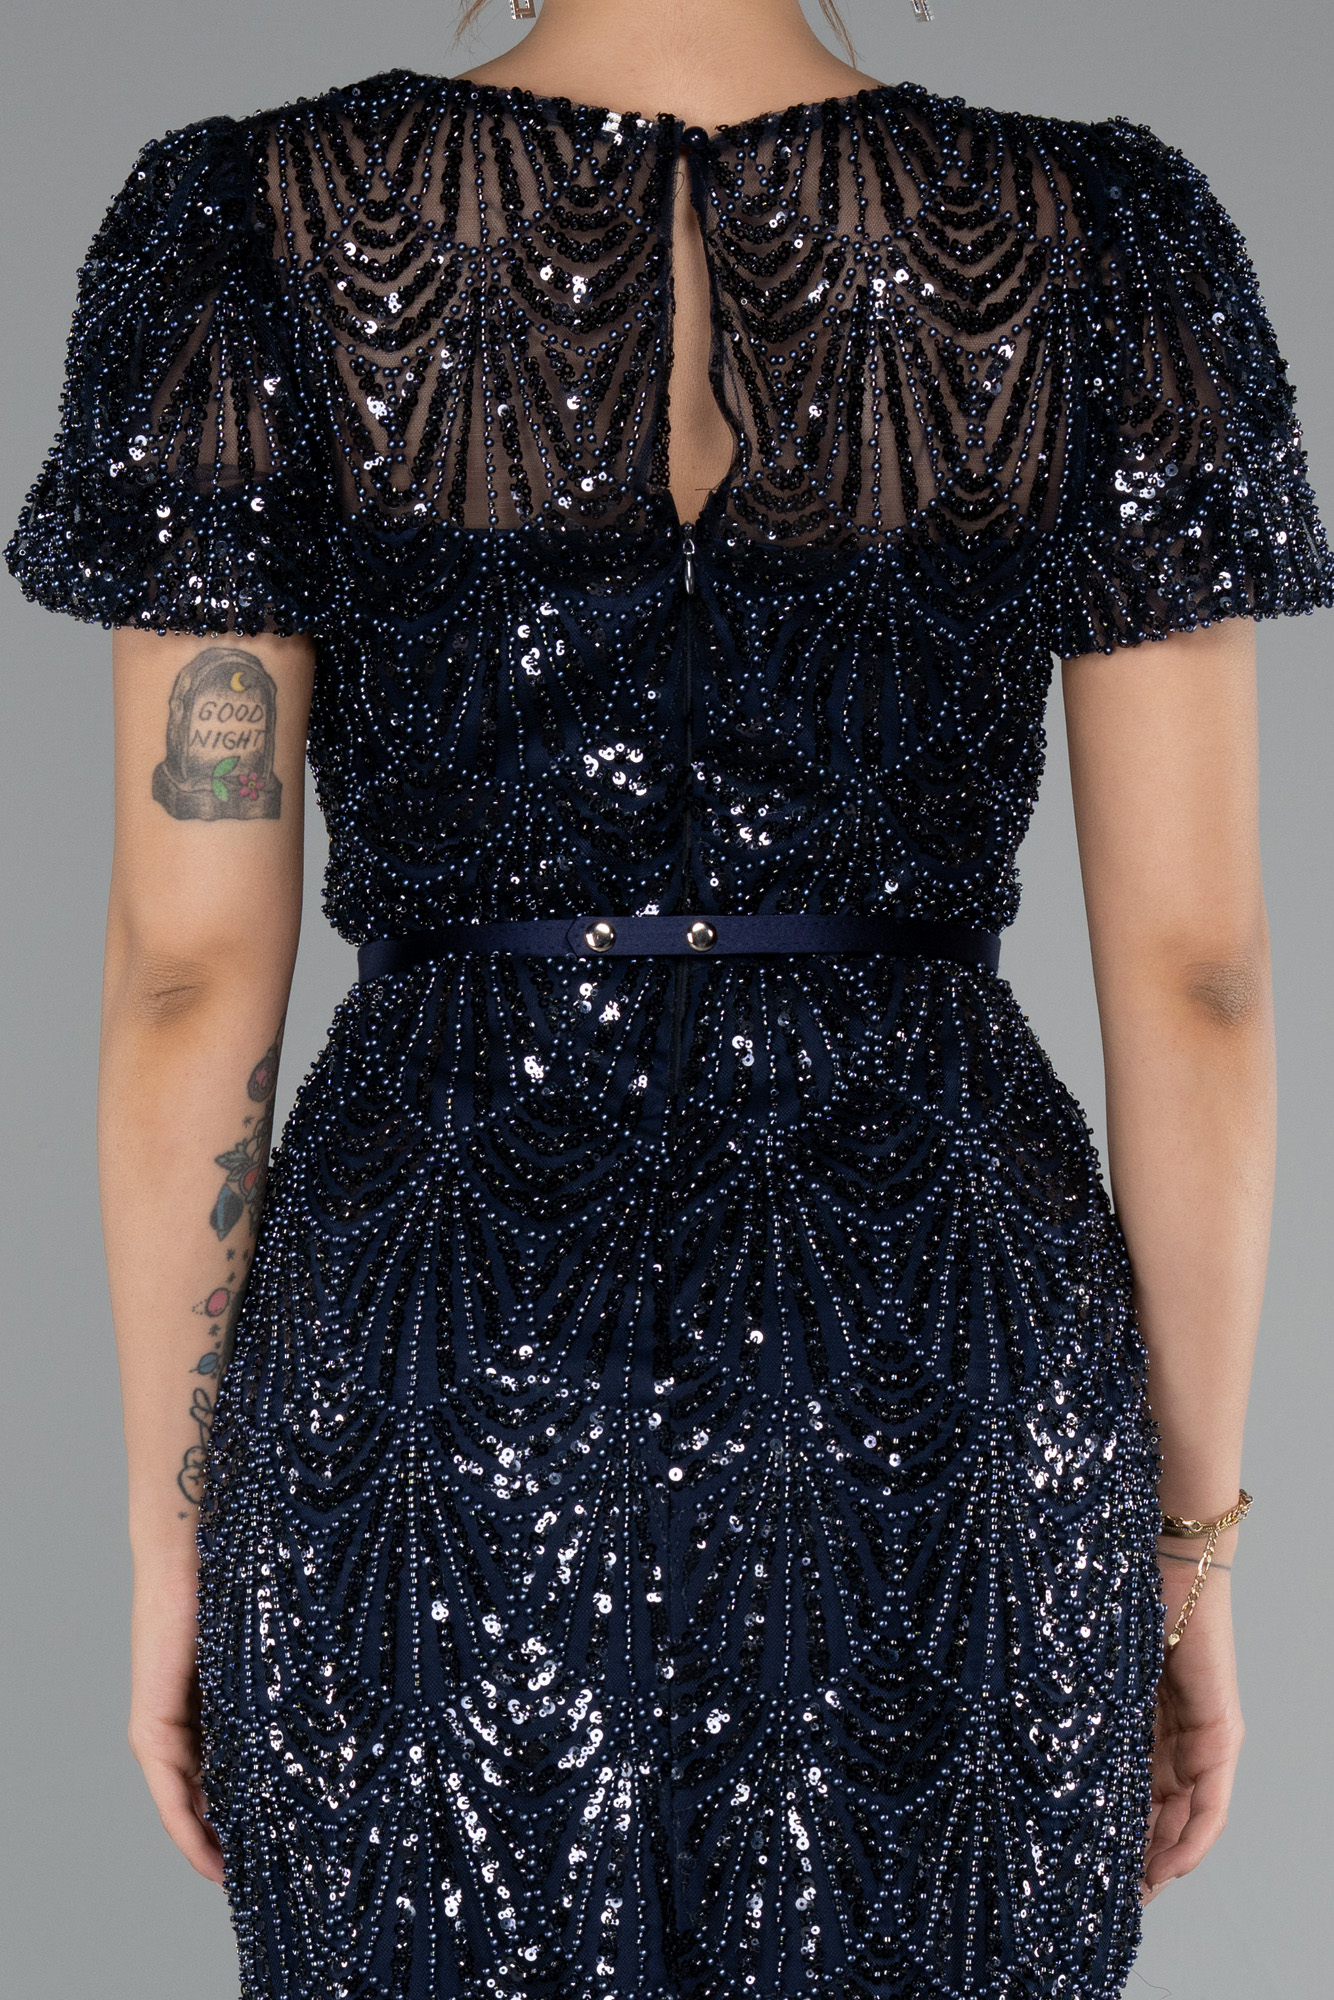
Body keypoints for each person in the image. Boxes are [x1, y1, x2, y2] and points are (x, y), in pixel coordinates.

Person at [7, 1, 1331, 1993]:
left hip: (437, 1336)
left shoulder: (248, 222)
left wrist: (172, 1527)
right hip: (933, 1343)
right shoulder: (1097, 231)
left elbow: (190, 975)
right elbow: (1200, 977)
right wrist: (1187, 1543)